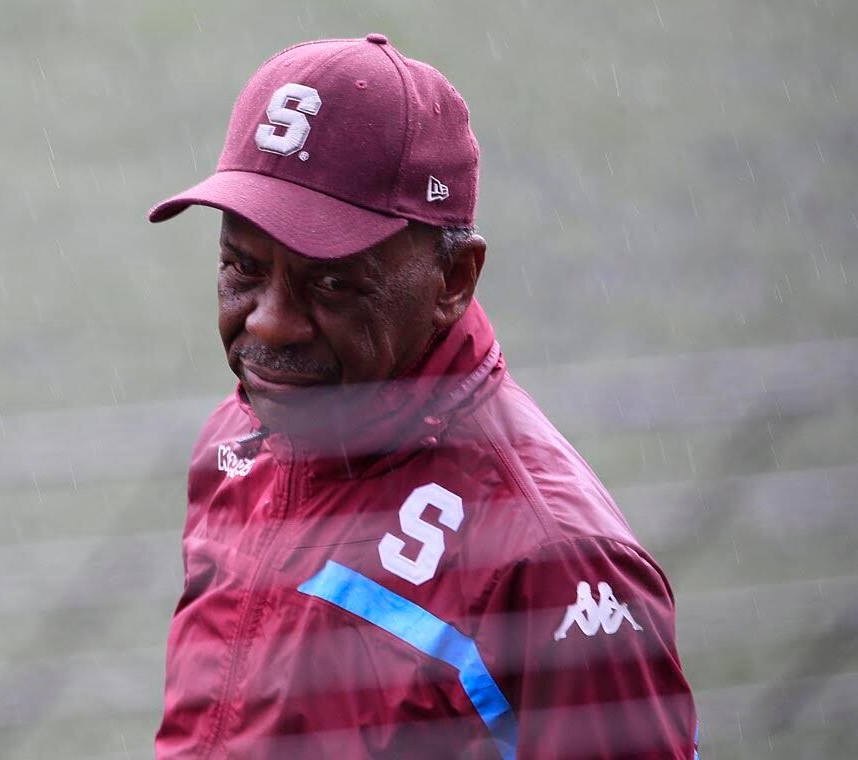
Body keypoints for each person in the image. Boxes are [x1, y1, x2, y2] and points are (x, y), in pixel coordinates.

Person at [147, 34, 698, 759]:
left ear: (454, 280)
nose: (269, 323)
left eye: (331, 282)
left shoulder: (558, 562)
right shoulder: (239, 441)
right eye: (242, 268)